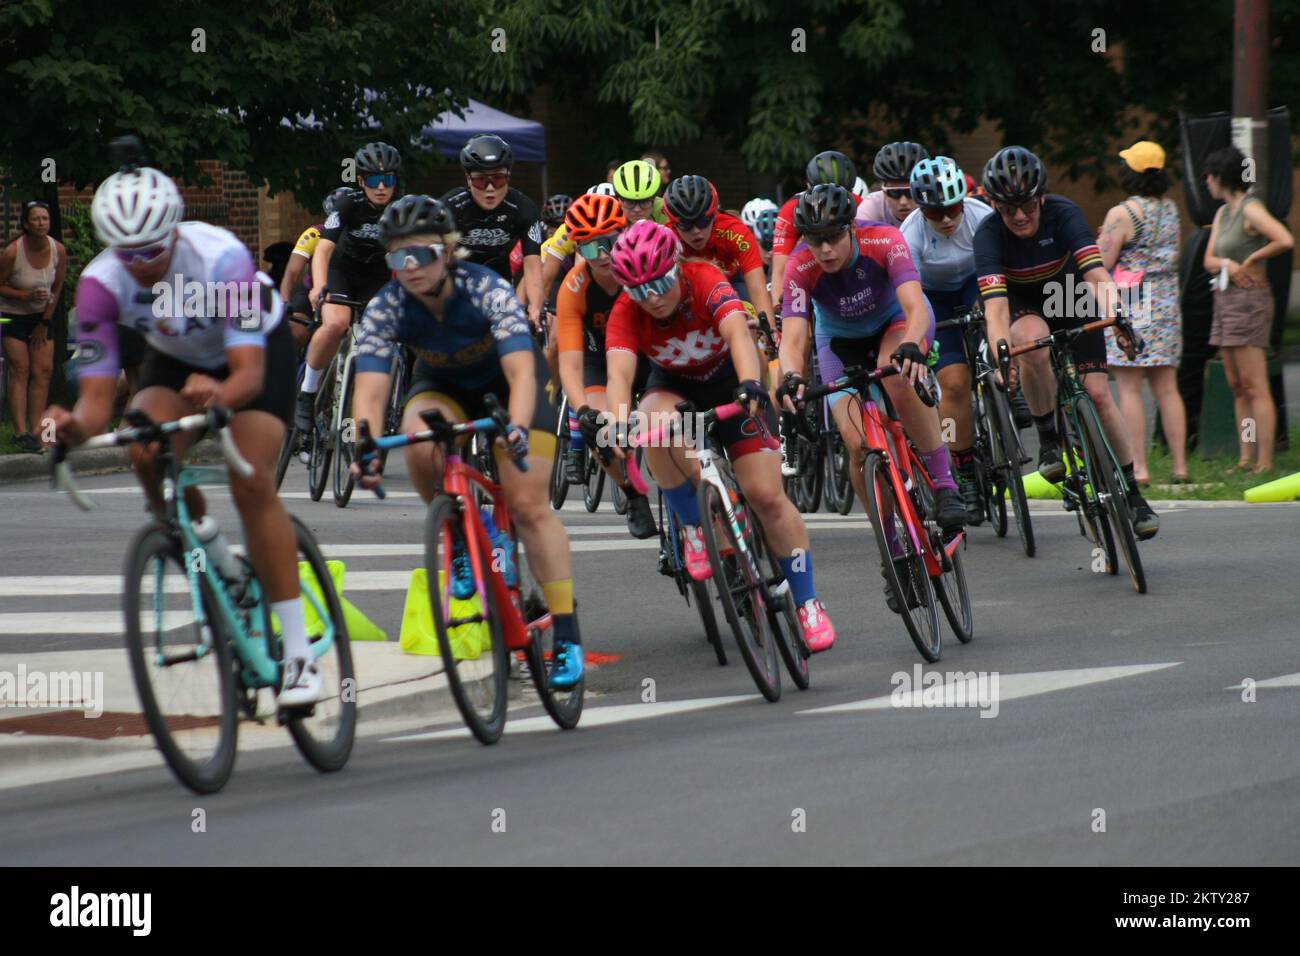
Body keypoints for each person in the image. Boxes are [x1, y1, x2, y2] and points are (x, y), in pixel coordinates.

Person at [45, 165, 320, 705]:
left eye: (152, 249)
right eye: (127, 252)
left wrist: (220, 396)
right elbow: (97, 406)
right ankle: (206, 549)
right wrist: (69, 426)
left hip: (254, 357)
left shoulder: (221, 258)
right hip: (178, 361)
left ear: (174, 230)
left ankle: (299, 657)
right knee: (142, 443)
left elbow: (246, 375)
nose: (140, 265)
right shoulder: (101, 285)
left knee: (252, 480)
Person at [348, 195, 585, 688]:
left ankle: (565, 631)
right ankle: (457, 531)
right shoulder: (386, 307)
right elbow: (369, 392)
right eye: (397, 257)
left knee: (527, 505)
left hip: (510, 386)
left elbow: (521, 373)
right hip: (444, 385)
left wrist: (517, 429)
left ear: (449, 251)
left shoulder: (487, 290)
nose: (410, 268)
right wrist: (364, 443)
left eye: (422, 254)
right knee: (417, 440)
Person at [602, 220, 837, 652]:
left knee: (765, 496)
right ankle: (693, 523)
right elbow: (619, 374)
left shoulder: (704, 279)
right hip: (676, 390)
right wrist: (618, 424)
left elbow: (738, 335)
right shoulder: (626, 311)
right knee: (651, 422)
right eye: (638, 290)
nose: (651, 297)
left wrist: (750, 383)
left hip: (733, 385)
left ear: (675, 267)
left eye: (659, 282)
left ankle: (807, 602)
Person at [777, 184, 967, 618]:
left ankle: (944, 484)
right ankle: (892, 549)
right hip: (839, 339)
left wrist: (915, 344)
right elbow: (794, 336)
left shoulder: (884, 240)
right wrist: (790, 376)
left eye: (832, 237)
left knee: (896, 375)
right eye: (813, 240)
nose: (824, 250)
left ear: (851, 229)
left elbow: (916, 307)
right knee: (857, 443)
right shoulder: (800, 266)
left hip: (895, 323)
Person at [973, 145, 1159, 537]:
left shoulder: (1064, 213)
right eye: (1008, 209)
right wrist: (1002, 353)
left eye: (1027, 205)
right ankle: (1048, 440)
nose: (1020, 216)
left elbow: (1095, 274)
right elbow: (996, 311)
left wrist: (1118, 319)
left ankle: (1132, 491)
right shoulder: (987, 236)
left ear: (1041, 197)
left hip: (1069, 295)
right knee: (1031, 341)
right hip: (1024, 304)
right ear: (994, 207)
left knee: (1099, 395)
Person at [553, 194, 657, 538]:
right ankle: (632, 492)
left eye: (609, 243)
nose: (603, 257)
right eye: (589, 249)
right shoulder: (574, 288)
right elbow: (570, 363)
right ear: (577, 251)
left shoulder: (644, 267)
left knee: (679, 430)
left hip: (650, 356)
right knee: (602, 431)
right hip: (599, 359)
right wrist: (582, 409)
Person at [900, 157, 995, 524]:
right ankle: (965, 470)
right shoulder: (911, 234)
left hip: (976, 282)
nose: (946, 219)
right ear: (923, 210)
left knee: (1002, 328)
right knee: (954, 384)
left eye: (953, 208)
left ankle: (1010, 385)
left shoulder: (980, 215)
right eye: (935, 212)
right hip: (933, 299)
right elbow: (911, 294)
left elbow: (996, 268)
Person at [1098, 140, 1190, 484]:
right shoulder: (1170, 209)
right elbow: (1176, 255)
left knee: (1130, 388)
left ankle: (1139, 467)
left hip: (1133, 302)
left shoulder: (1121, 214)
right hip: (1165, 301)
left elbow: (1103, 262)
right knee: (1168, 388)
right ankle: (1180, 467)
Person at [295, 142, 401, 431]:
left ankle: (376, 403)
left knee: (380, 338)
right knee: (335, 324)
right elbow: (324, 250)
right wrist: (319, 286)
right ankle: (308, 391)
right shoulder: (347, 204)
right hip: (342, 272)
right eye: (373, 180)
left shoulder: (400, 209)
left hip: (376, 279)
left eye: (388, 180)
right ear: (360, 181)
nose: (381, 187)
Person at [1203, 145, 1295, 475]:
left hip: (1249, 302)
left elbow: (1284, 239)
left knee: (1255, 384)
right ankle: (1246, 455)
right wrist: (1228, 261)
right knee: (1237, 385)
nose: (1206, 182)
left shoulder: (1251, 209)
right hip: (1225, 300)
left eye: (1209, 175)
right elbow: (1209, 259)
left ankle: (1265, 461)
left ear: (1221, 177)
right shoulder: (1222, 213)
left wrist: (1255, 258)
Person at [442, 134, 546, 327]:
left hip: (500, 286)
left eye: (498, 179)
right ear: (468, 178)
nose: (490, 189)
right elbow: (439, 260)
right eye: (481, 181)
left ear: (508, 176)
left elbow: (532, 265)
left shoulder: (523, 207)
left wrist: (535, 308)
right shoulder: (451, 206)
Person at [0, 200, 67, 454]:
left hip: (42, 317)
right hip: (12, 315)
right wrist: (24, 296)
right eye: (36, 219)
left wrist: (45, 321)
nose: (41, 223)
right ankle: (20, 432)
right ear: (26, 224)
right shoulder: (12, 252)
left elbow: (57, 287)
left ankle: (38, 430)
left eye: (45, 219)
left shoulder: (58, 249)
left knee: (43, 371)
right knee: (21, 369)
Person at [662, 175, 773, 321]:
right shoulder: (665, 239)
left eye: (703, 222)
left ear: (714, 215)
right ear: (674, 224)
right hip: (688, 289)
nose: (696, 231)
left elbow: (758, 290)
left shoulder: (735, 230)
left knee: (746, 320)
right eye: (686, 225)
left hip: (732, 280)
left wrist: (771, 332)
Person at [770, 150, 857, 310]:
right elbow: (780, 269)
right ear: (808, 188)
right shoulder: (791, 209)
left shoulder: (859, 203)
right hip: (811, 268)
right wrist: (778, 311)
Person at [280, 187, 352, 351]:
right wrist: (285, 302)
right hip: (311, 293)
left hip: (345, 294)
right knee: (296, 334)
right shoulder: (314, 234)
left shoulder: (362, 237)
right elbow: (291, 273)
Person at [860, 142, 930, 228]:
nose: (903, 202)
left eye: (911, 192)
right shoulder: (871, 206)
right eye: (894, 192)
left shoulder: (935, 203)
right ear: (884, 192)